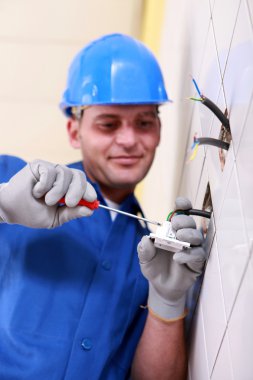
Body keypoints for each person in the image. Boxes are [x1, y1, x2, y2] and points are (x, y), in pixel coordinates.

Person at [0, 33, 205, 380]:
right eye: (108, 124)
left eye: (144, 122)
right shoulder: (13, 181)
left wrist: (166, 302)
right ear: (73, 129)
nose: (128, 140)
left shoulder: (155, 258)